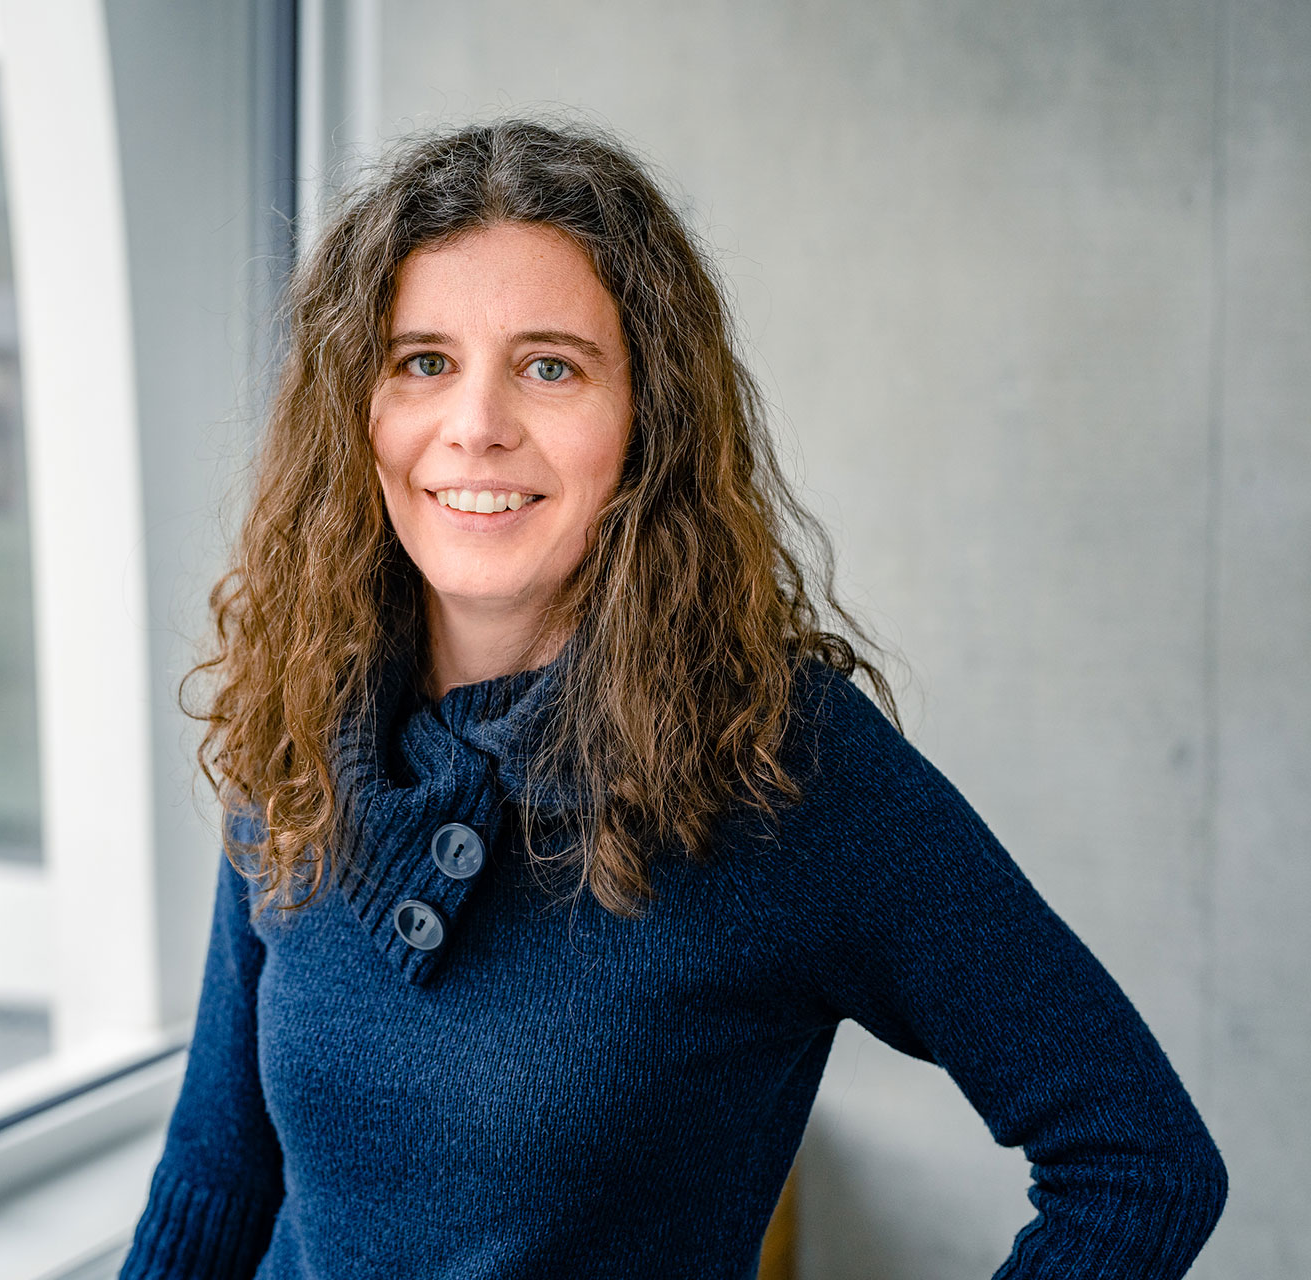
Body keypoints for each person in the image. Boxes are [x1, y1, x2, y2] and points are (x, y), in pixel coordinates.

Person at [120, 120, 1227, 1279]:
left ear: (647, 420)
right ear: (358, 409)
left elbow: (1140, 1162)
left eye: (551, 366)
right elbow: (217, 1173)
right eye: (423, 361)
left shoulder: (782, 760)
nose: (477, 424)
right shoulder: (308, 707)